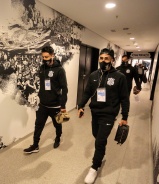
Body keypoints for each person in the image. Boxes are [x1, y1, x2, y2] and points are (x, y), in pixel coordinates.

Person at [77, 48, 130, 184]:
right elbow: (87, 91)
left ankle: (94, 167)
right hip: (95, 112)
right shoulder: (94, 75)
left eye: (106, 58)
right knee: (97, 136)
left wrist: (124, 116)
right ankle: (101, 153)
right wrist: (81, 105)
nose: (103, 61)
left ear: (112, 60)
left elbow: (124, 98)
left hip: (109, 114)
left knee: (100, 141)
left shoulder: (120, 77)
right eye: (101, 58)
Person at [23, 46, 68, 153]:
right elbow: (42, 85)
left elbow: (64, 88)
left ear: (53, 55)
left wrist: (63, 106)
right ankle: (35, 145)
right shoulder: (42, 68)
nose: (45, 59)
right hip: (43, 105)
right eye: (43, 57)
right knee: (38, 125)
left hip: (56, 105)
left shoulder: (60, 70)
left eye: (47, 57)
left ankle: (58, 138)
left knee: (58, 124)